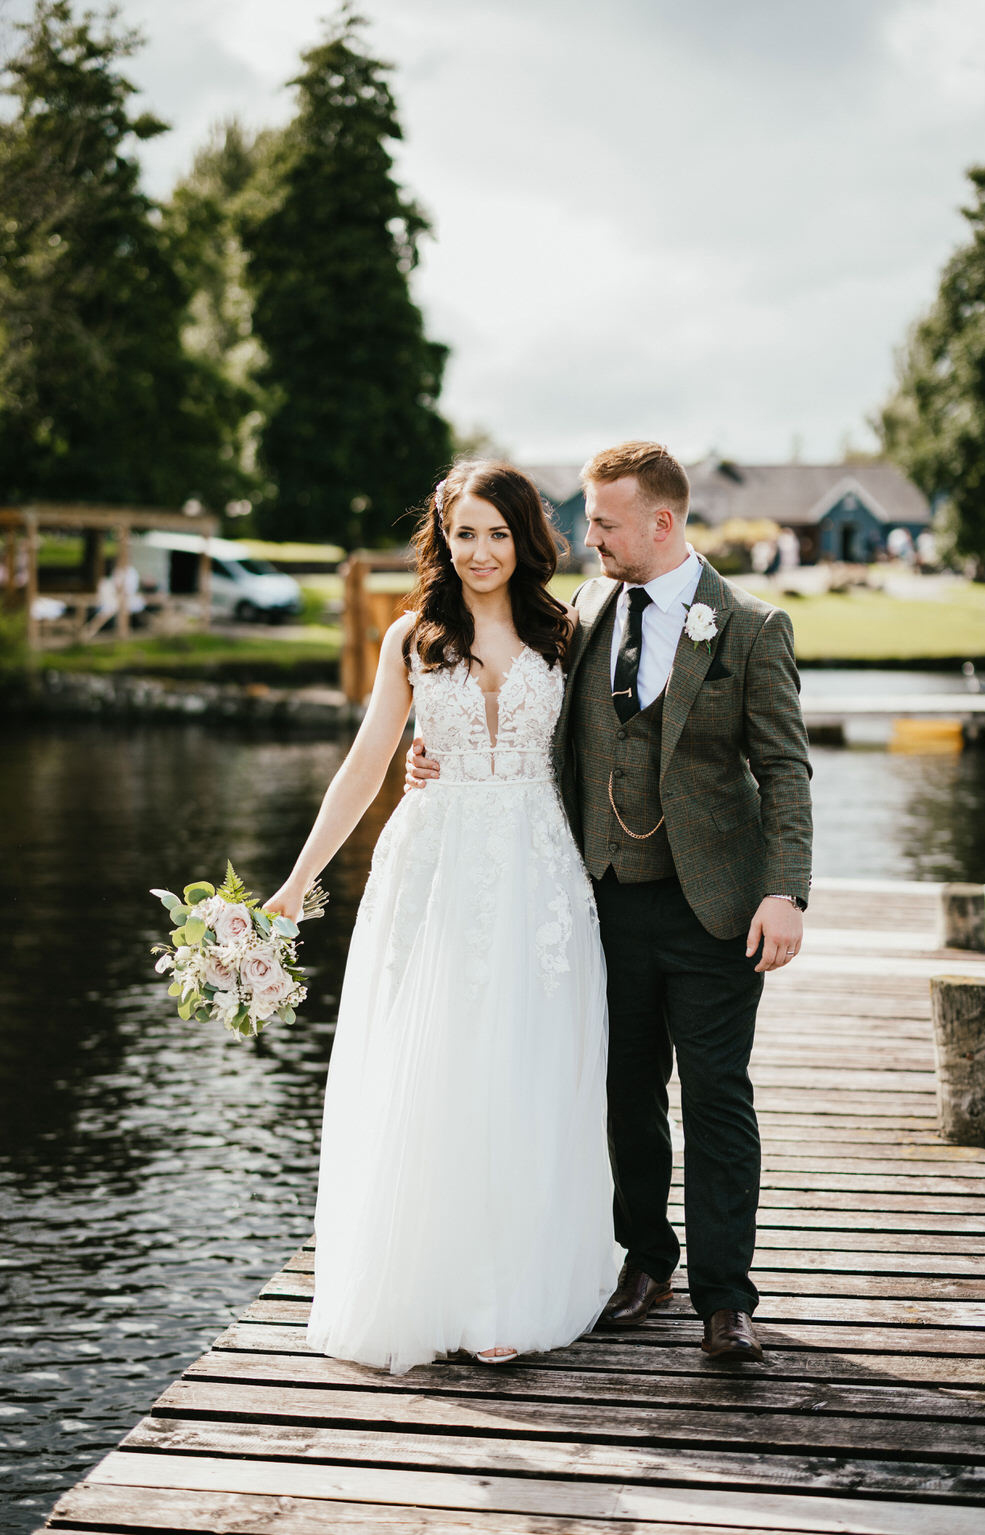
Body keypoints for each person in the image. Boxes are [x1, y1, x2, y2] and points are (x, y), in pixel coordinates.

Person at [410, 441, 812, 1362]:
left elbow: (785, 771)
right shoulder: (581, 613)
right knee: (624, 1092)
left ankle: (725, 1296)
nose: (584, 534)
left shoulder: (750, 626)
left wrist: (785, 890)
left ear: (661, 523)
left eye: (602, 521)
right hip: (602, 902)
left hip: (717, 907)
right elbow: (529, 733)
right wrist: (427, 756)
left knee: (716, 1097)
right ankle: (645, 1259)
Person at [264, 460, 618, 1374]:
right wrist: (297, 883)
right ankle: (438, 1287)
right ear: (442, 535)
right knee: (438, 1065)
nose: (482, 550)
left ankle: (507, 1288)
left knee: (526, 1071)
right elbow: (366, 762)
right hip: (436, 868)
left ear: (525, 538)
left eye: (499, 532)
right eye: (465, 532)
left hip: (538, 874)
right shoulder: (413, 640)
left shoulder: (566, 633)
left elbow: (604, 755)